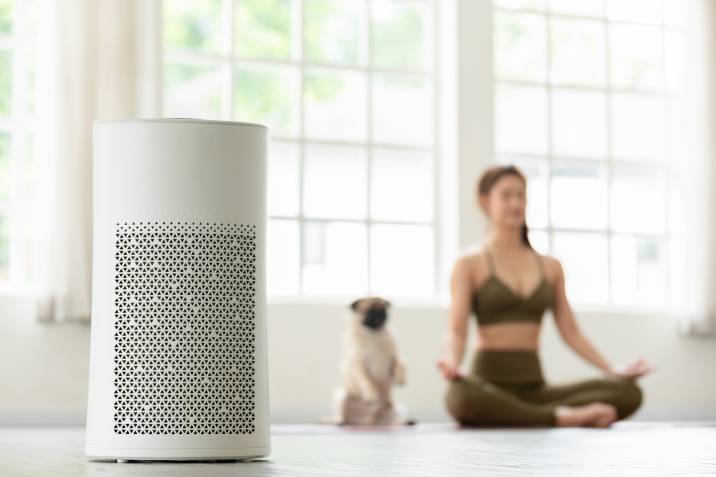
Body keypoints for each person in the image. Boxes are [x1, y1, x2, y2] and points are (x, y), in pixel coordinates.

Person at [437, 164, 655, 427]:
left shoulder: (550, 266)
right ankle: (561, 417)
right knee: (460, 397)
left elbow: (571, 331)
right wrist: (451, 361)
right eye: (506, 196)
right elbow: (457, 331)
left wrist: (613, 370)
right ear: (485, 201)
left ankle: (531, 414)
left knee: (627, 392)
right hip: (488, 385)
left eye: (521, 195)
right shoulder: (468, 264)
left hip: (537, 389)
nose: (516, 203)